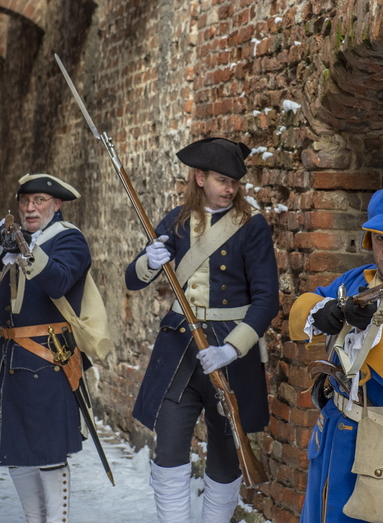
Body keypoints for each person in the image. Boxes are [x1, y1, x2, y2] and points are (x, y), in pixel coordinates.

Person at [125, 137, 279, 523]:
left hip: (230, 355)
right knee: (170, 451)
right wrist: (149, 259)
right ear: (199, 177)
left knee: (227, 458)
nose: (230, 189)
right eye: (222, 180)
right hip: (180, 350)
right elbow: (132, 279)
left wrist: (233, 348)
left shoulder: (252, 228)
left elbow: (266, 299)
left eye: (234, 183)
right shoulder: (176, 222)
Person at [0, 173, 109, 523]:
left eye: (39, 200)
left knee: (49, 451)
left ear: (56, 205)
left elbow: (57, 281)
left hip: (48, 358)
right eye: (25, 200)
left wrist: (28, 251)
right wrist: (0, 237)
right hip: (9, 356)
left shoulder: (69, 240)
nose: (30, 207)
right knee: (16, 450)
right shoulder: (17, 241)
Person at [288, 188, 383, 523]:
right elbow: (300, 312)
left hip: (375, 434)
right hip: (334, 421)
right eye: (380, 238)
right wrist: (323, 309)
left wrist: (372, 329)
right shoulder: (355, 279)